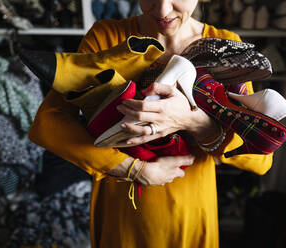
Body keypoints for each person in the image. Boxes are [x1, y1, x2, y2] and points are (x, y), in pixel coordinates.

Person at [28, 0, 273, 247]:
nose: (163, 10)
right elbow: (48, 123)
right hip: (123, 211)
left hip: (188, 211)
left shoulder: (226, 47)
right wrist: (132, 169)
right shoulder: (107, 38)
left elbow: (261, 159)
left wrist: (193, 122)